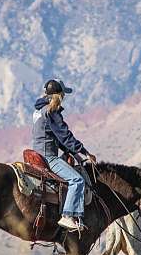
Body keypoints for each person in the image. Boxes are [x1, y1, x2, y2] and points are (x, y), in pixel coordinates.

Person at [32, 79, 97, 231]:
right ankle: (67, 216)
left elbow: (54, 137)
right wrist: (84, 151)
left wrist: (74, 152)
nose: (64, 97)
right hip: (48, 157)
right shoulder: (51, 110)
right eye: (63, 94)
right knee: (77, 180)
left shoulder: (38, 110)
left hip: (37, 153)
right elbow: (65, 136)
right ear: (59, 95)